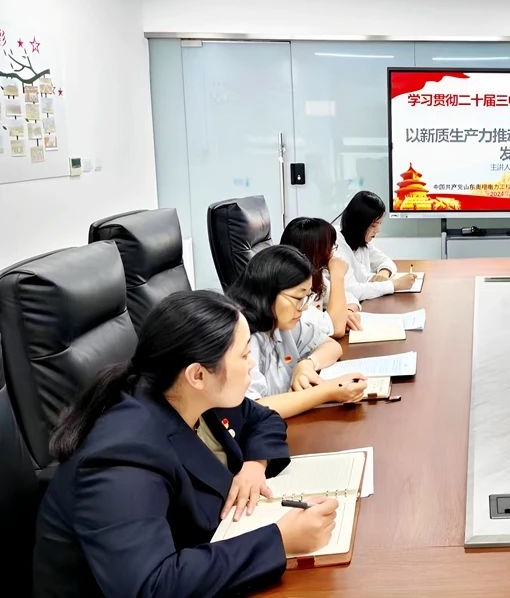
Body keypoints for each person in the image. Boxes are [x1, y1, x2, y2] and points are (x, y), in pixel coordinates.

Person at [33, 291, 340, 596]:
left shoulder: (189, 392)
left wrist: (254, 465)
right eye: (244, 354)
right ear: (198, 374)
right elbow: (151, 587)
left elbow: (264, 419)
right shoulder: (123, 455)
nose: (252, 363)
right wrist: (280, 541)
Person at [228, 245, 367, 419]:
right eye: (298, 298)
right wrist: (326, 392)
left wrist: (307, 364)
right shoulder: (242, 340)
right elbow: (253, 409)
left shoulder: (279, 324)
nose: (305, 306)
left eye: (307, 297)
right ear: (268, 292)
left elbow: (331, 345)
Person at [280, 216, 362, 337]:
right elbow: (336, 328)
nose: (332, 252)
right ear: (314, 252)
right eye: (329, 247)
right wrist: (337, 275)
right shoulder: (292, 289)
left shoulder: (316, 276)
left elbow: (351, 298)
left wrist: (347, 312)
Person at [336, 190, 416, 300]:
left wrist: (383, 274)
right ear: (358, 224)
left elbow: (386, 261)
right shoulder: (336, 247)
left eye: (380, 224)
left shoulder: (360, 242)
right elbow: (352, 290)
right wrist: (395, 284)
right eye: (373, 225)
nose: (378, 230)